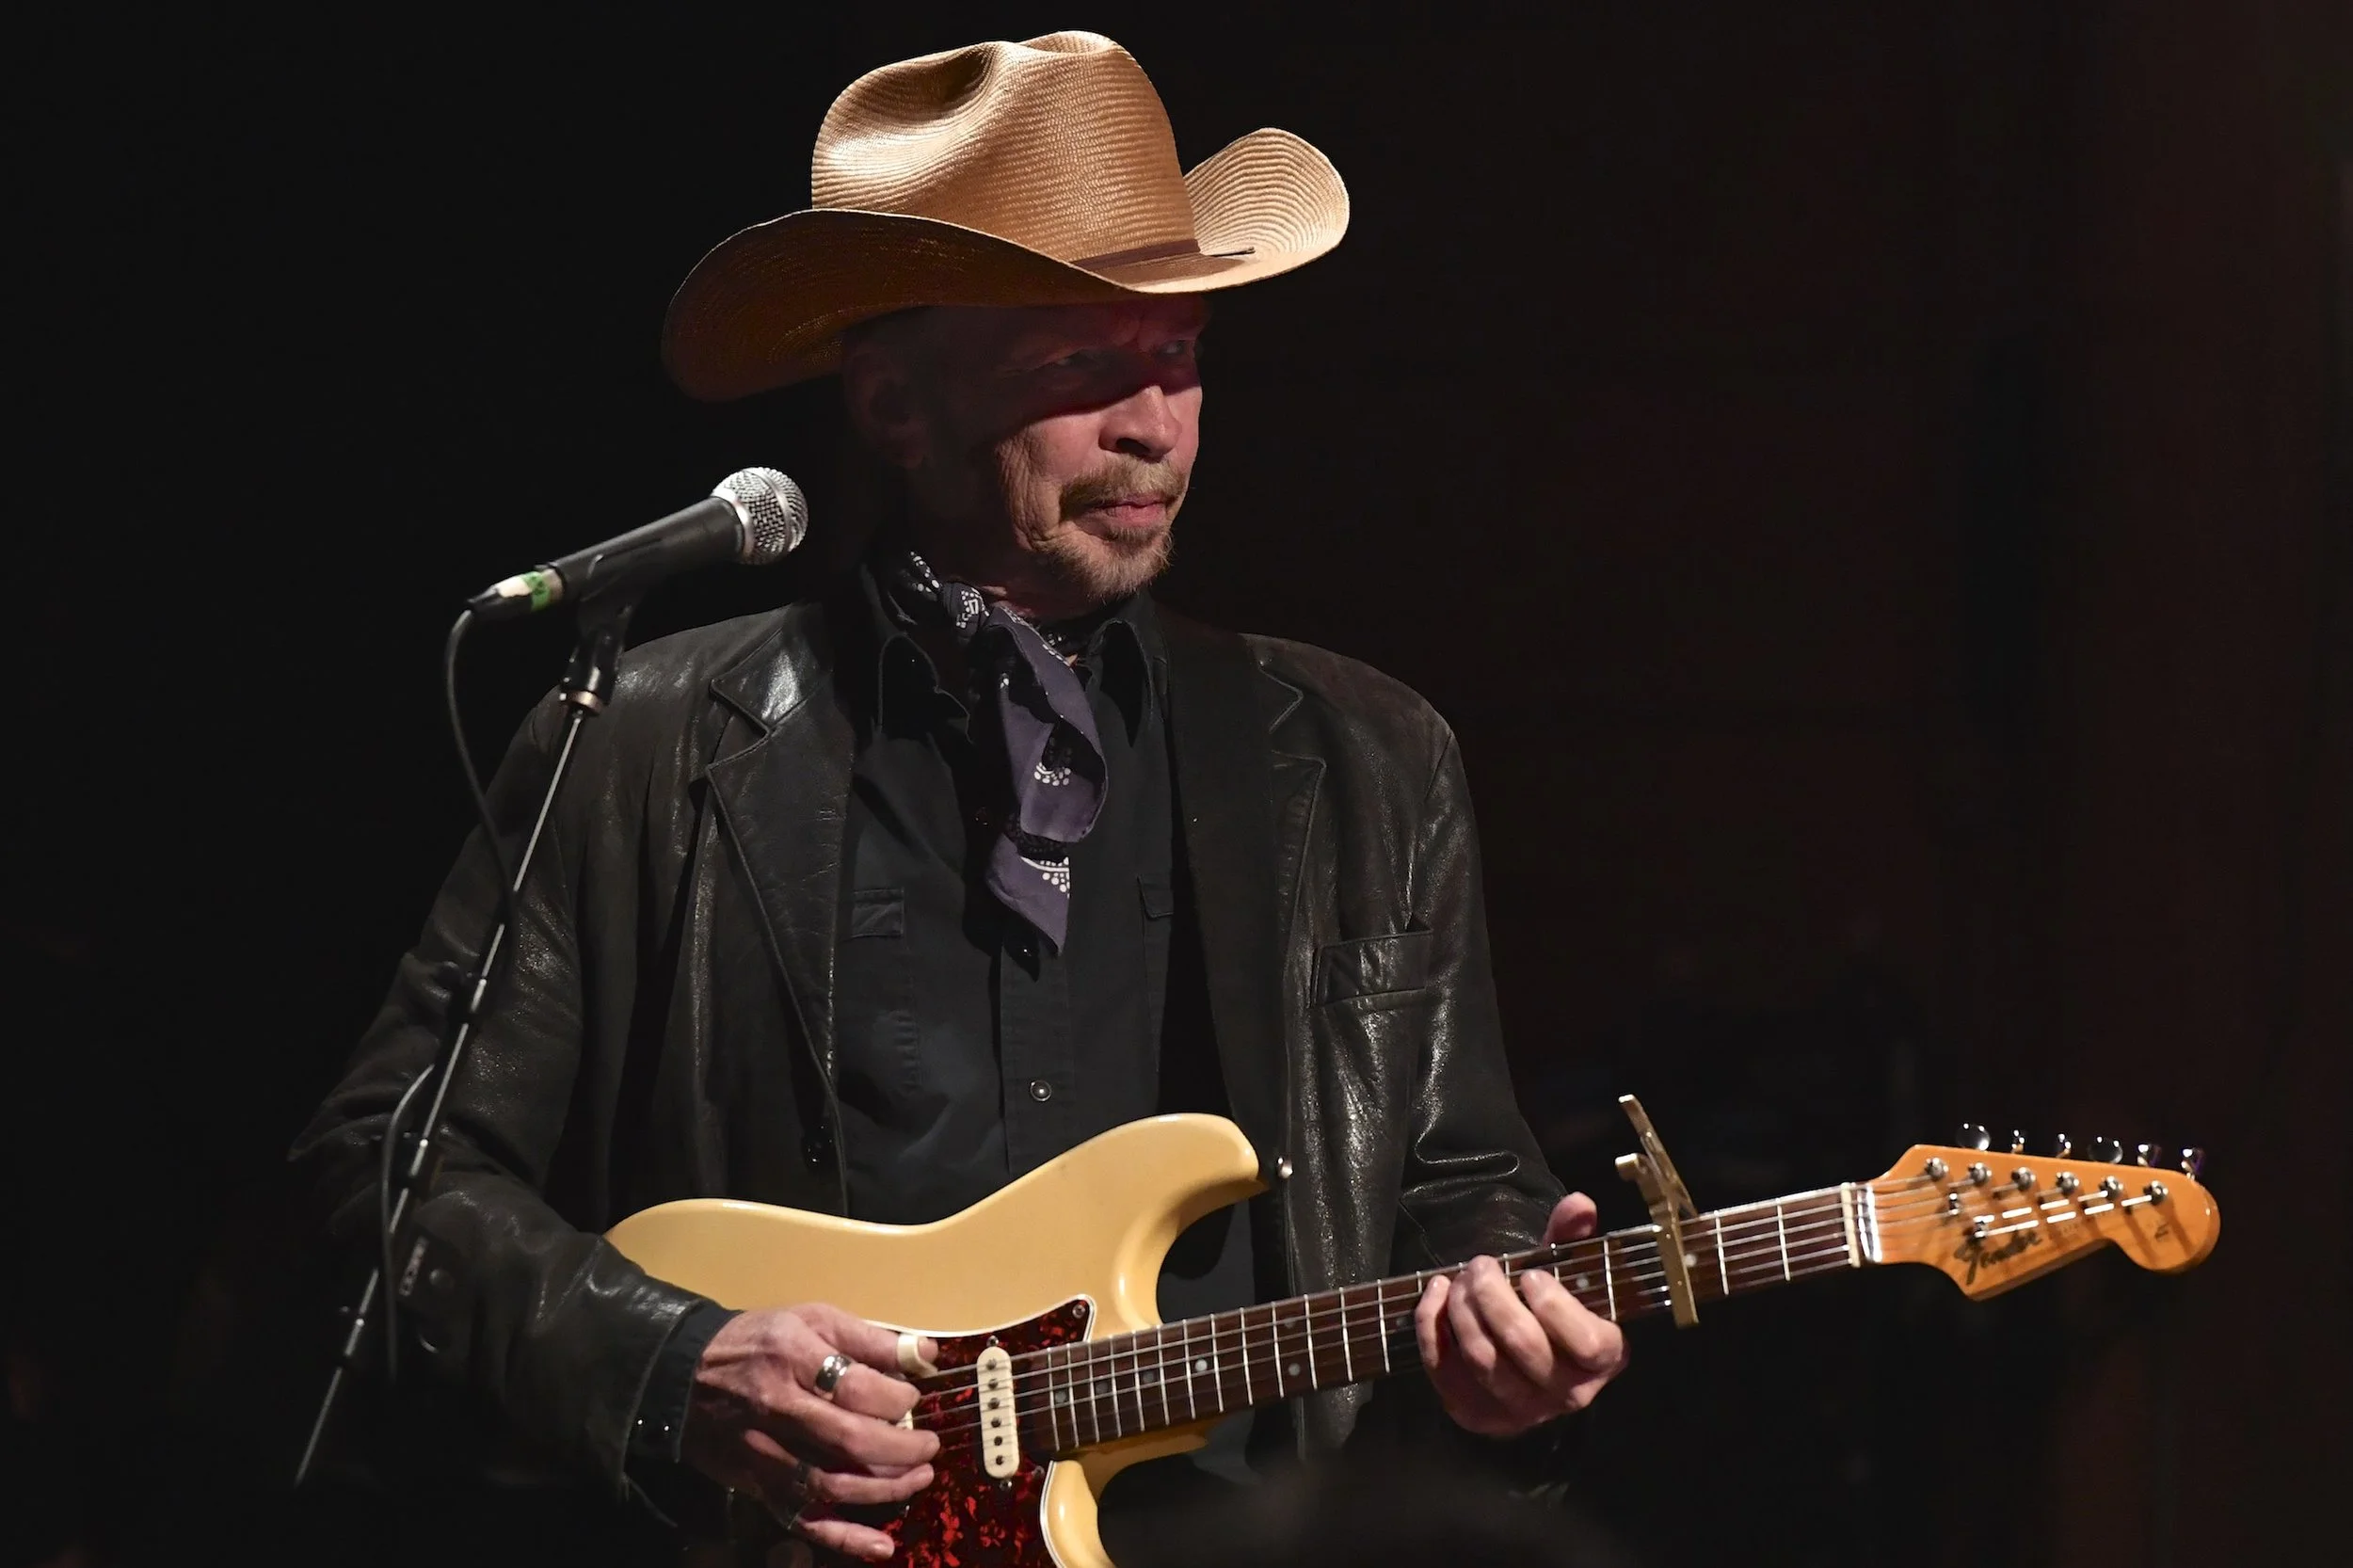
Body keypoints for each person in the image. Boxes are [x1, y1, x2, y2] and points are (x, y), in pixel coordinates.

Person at [296, 31, 1626, 1565]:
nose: (1154, 423)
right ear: (894, 404)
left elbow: (1463, 1189)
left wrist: (1519, 1341)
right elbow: (386, 1168)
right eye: (1081, 363)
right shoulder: (650, 738)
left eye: (1178, 353)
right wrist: (670, 1364)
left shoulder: (1364, 758)